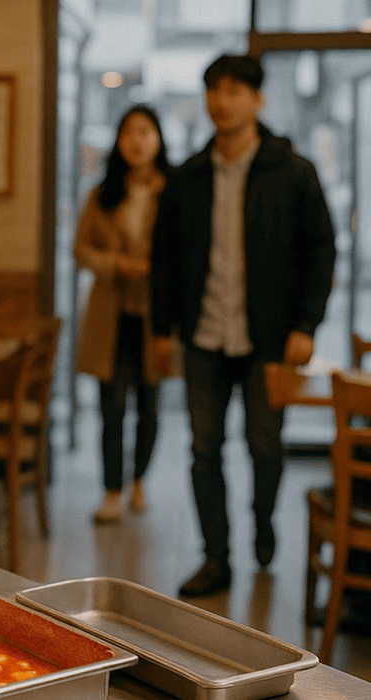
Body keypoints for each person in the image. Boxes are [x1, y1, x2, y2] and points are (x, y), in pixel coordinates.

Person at [150, 54, 336, 598]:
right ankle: (216, 556)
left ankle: (263, 524)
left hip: (268, 337)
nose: (222, 102)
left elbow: (321, 250)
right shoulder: (188, 176)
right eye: (214, 90)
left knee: (265, 447)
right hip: (204, 336)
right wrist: (162, 330)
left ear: (257, 99)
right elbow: (164, 260)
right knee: (203, 450)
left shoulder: (293, 171)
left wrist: (306, 324)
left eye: (234, 91)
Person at [74, 104, 172, 524]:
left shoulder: (172, 192)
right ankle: (112, 489)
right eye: (129, 132)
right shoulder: (102, 193)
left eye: (146, 131)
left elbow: (185, 250)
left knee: (151, 405)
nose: (137, 140)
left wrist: (155, 267)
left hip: (155, 315)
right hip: (110, 315)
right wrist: (115, 263)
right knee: (111, 408)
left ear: (159, 140)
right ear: (118, 141)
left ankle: (139, 481)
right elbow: (80, 249)